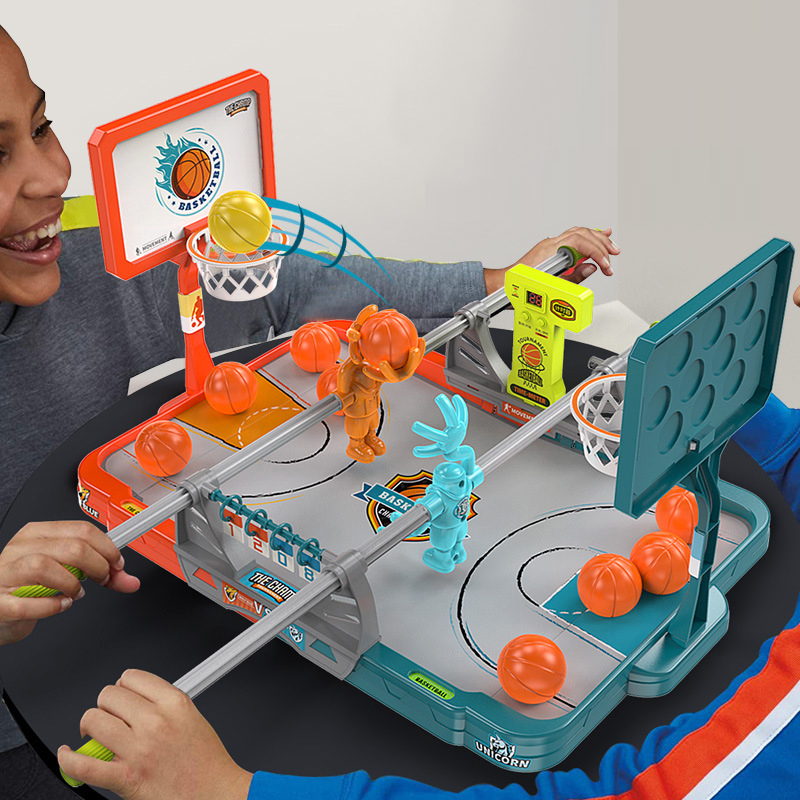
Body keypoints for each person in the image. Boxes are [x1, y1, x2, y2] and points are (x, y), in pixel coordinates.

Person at [0, 23, 618, 798]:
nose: (52, 175)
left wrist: (496, 283)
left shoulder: (83, 247)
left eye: (42, 127)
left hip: (121, 634)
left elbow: (291, 287)